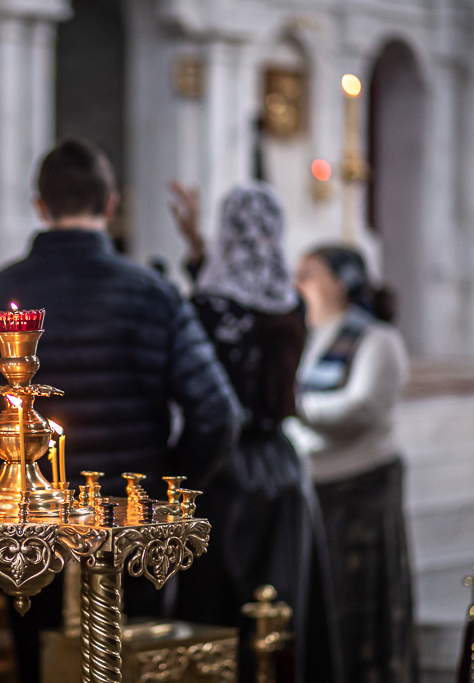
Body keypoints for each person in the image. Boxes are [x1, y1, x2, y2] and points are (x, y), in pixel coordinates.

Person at [0, 139, 239, 683]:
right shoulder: (152, 293)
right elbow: (217, 414)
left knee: (44, 666)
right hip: (129, 526)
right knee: (135, 667)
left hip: (28, 534)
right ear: (111, 205)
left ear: (40, 206)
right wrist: (161, 490)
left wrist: (1, 485)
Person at [169, 181, 342, 683]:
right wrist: (198, 250)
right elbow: (244, 310)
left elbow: (216, 322)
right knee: (284, 604)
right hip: (284, 469)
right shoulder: (292, 306)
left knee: (221, 608)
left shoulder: (207, 306)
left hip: (226, 471)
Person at [293, 245, 418, 683]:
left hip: (363, 488)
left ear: (341, 282)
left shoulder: (377, 339)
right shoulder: (310, 337)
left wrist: (294, 407)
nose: (298, 283)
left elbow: (362, 409)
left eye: (310, 274)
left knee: (365, 607)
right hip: (317, 486)